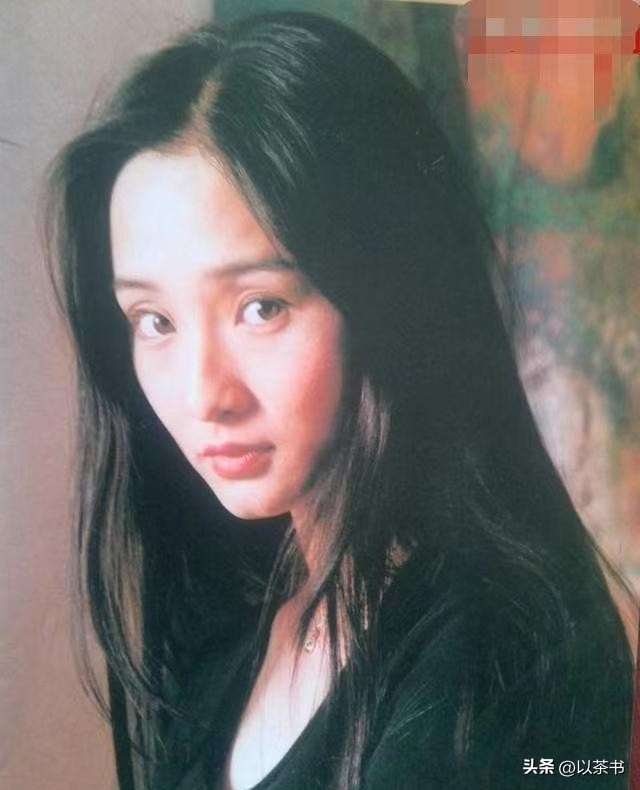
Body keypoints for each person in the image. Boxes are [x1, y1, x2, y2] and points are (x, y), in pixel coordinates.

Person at [46, 11, 636, 790]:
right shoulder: (237, 604)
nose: (202, 394)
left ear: (387, 293)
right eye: (154, 320)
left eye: (262, 307)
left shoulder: (501, 655)